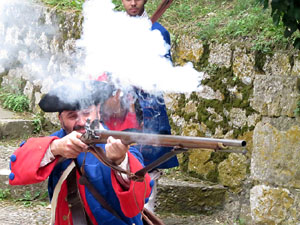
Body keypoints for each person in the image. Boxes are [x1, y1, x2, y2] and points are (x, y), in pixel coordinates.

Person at [8, 79, 152, 225]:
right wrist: (55, 148)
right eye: (72, 116)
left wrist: (120, 160)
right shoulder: (57, 140)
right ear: (60, 119)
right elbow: (18, 165)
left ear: (98, 111)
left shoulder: (118, 142)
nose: (82, 122)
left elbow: (139, 198)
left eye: (86, 113)